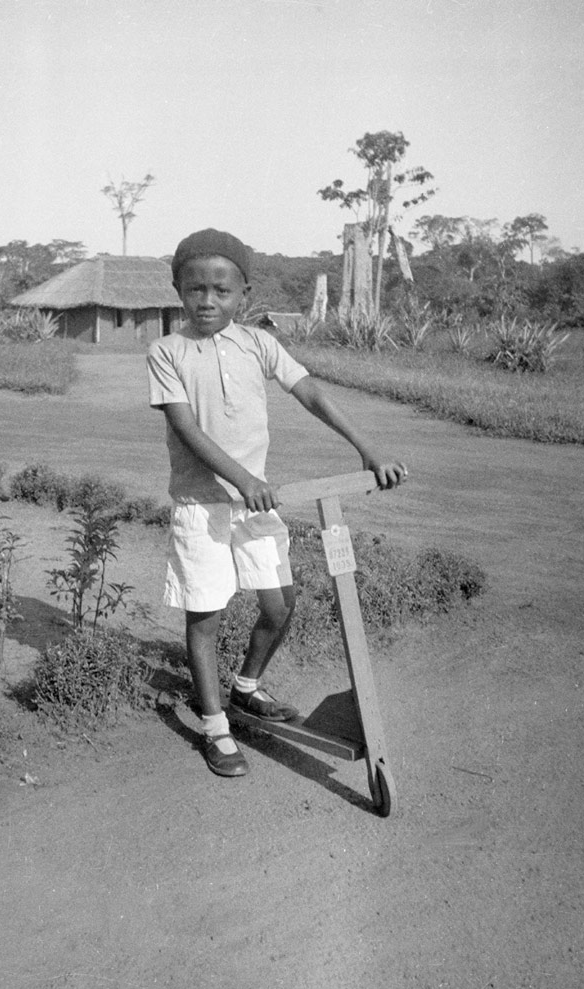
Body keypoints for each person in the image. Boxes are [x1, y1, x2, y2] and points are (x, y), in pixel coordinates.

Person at [146, 228, 407, 778]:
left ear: (243, 292)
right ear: (177, 290)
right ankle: (215, 726)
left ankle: (245, 687)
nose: (208, 301)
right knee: (207, 614)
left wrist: (367, 447)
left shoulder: (258, 342)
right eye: (195, 289)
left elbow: (308, 390)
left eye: (221, 290)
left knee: (279, 604)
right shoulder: (167, 350)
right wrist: (240, 478)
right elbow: (186, 427)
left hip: (255, 501)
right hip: (203, 505)